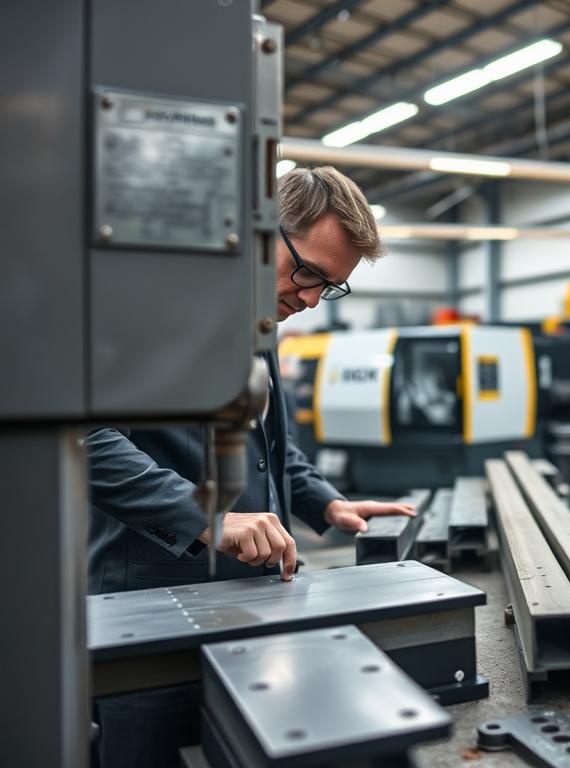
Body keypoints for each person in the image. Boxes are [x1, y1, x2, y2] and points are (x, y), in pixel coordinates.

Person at [87, 166, 414, 767]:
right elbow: (83, 438)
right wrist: (205, 515)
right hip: (151, 610)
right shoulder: (137, 304)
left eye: (329, 287)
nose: (312, 299)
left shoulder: (263, 323)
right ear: (262, 232)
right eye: (309, 273)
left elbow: (267, 442)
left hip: (256, 601)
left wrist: (325, 501)